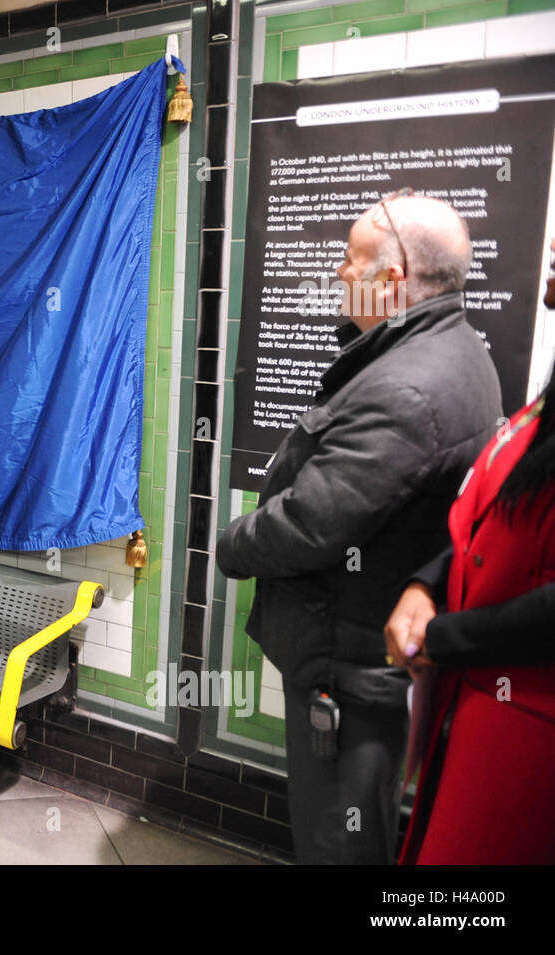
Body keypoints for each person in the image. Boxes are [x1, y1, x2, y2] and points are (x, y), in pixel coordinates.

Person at [215, 190, 502, 864]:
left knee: (336, 839)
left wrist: (233, 542)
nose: (339, 273)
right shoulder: (449, 346)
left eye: (351, 259)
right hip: (359, 648)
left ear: (393, 276)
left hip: (345, 664)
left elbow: (314, 523)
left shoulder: (407, 388)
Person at [385, 240, 555, 864]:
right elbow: (494, 514)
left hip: (529, 728)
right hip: (476, 704)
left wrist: (447, 637)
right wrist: (427, 585)